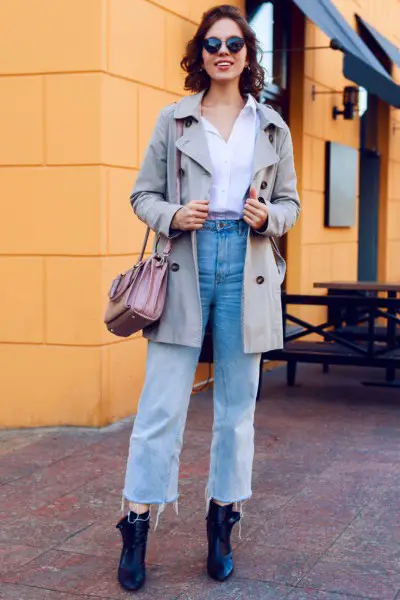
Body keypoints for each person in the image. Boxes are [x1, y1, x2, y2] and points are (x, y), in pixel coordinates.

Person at [115, 3, 300, 592]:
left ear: (249, 55)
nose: (223, 52)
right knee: (160, 407)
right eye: (212, 44)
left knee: (236, 411)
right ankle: (137, 523)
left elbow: (292, 205)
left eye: (234, 44)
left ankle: (222, 521)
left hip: (246, 269)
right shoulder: (175, 121)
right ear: (200, 54)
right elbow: (142, 195)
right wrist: (174, 214)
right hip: (186, 264)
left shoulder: (271, 126)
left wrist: (268, 214)